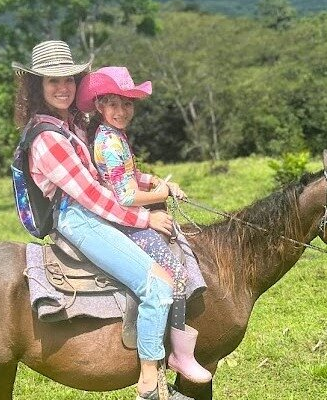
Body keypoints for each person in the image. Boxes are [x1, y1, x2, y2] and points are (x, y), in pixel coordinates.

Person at [11, 41, 193, 400]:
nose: (62, 88)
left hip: (93, 209)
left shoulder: (72, 123)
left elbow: (107, 175)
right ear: (38, 87)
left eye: (68, 80)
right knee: (158, 284)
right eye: (52, 82)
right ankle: (150, 385)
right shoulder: (48, 138)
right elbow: (90, 196)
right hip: (79, 218)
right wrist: (144, 217)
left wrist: (153, 183)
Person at [76, 66, 212, 384]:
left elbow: (127, 175)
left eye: (127, 104)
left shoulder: (113, 135)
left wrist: (155, 181)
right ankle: (179, 353)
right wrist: (160, 194)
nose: (122, 111)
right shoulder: (109, 142)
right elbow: (124, 195)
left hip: (123, 211)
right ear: (99, 106)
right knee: (175, 276)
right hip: (124, 223)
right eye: (113, 104)